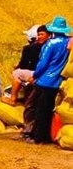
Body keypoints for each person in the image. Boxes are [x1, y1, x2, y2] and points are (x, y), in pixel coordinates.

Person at [28, 16, 69, 144]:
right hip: (57, 82)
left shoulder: (50, 44)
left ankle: (38, 138)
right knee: (48, 110)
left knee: (39, 111)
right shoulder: (68, 42)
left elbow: (43, 63)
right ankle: (47, 136)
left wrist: (34, 75)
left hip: (45, 81)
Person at [10, 25, 46, 105]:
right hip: (41, 73)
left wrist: (16, 67)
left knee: (16, 73)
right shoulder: (47, 47)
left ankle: (13, 98)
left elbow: (23, 65)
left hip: (35, 73)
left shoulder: (28, 48)